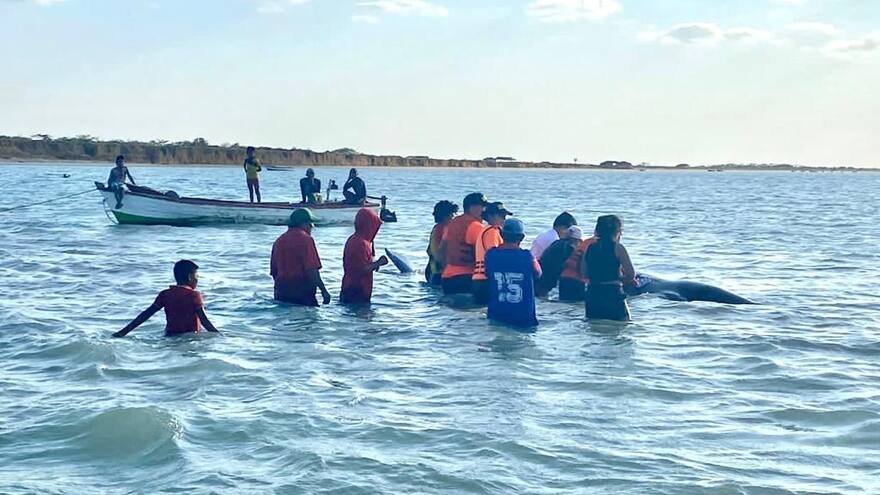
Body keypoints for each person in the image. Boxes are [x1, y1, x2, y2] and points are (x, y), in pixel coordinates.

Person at [112, 260, 219, 337]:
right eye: (196, 277)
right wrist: (219, 336)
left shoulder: (165, 294)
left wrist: (123, 332)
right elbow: (204, 321)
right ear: (190, 277)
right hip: (189, 338)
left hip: (170, 336)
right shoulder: (194, 295)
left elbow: (145, 315)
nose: (197, 280)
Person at [486, 218, 543, 328]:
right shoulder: (527, 256)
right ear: (521, 238)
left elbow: (487, 274)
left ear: (501, 234)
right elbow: (538, 273)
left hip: (497, 313)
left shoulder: (490, 255)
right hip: (522, 315)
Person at [271, 208, 331, 306]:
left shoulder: (278, 241)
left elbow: (274, 272)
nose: (312, 227)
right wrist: (324, 291)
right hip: (302, 294)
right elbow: (312, 270)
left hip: (281, 294)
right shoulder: (306, 240)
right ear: (304, 224)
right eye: (311, 224)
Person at [581, 215, 636, 321]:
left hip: (593, 294)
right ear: (618, 232)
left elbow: (584, 273)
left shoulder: (590, 248)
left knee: (595, 331)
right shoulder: (618, 248)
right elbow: (631, 274)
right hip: (613, 294)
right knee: (618, 330)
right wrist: (620, 279)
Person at [438, 192, 488, 295]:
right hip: (466, 278)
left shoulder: (451, 224)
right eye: (482, 206)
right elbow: (489, 254)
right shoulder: (476, 227)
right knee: (470, 310)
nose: (485, 209)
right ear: (472, 207)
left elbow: (440, 253)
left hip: (447, 279)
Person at [340, 208, 389, 304]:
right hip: (356, 291)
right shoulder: (360, 243)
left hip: (353, 288)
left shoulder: (357, 239)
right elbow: (362, 269)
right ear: (368, 225)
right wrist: (379, 263)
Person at [472, 201, 513, 305]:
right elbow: (495, 256)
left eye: (505, 216)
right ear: (490, 216)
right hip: (485, 280)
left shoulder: (487, 230)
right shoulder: (492, 232)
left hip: (480, 279)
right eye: (501, 216)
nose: (504, 219)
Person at [536, 226, 583, 298]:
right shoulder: (568, 248)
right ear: (577, 240)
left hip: (541, 278)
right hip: (549, 280)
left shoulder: (556, 243)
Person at [425, 200, 459, 286]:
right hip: (437, 273)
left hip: (433, 271)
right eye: (452, 214)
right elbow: (436, 253)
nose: (455, 217)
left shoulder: (438, 228)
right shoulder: (442, 229)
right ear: (445, 216)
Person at [557, 233, 597, 302]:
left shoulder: (586, 242)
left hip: (564, 278)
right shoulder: (597, 245)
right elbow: (583, 265)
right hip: (576, 281)